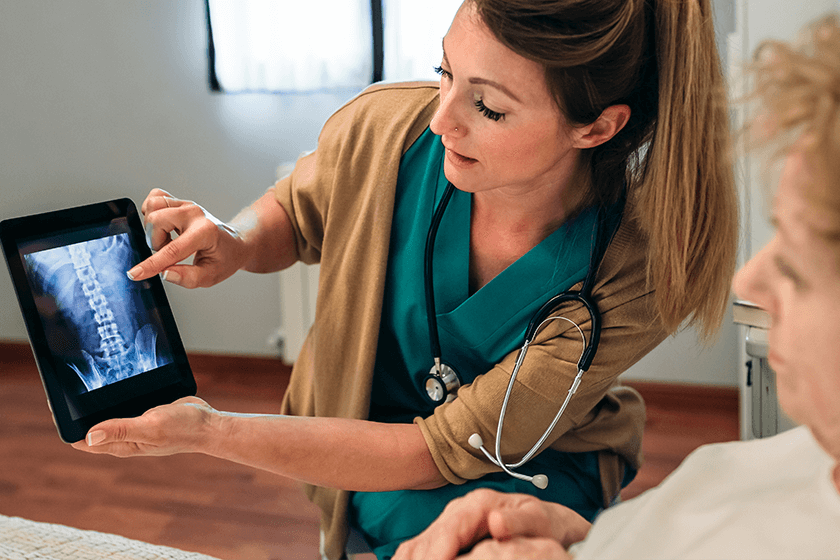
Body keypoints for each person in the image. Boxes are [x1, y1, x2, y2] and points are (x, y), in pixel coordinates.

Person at [72, 1, 737, 558]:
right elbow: (300, 210)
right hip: (362, 435)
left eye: (490, 107)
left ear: (596, 126)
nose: (442, 118)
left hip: (531, 467)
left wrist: (206, 432)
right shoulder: (385, 131)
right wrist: (236, 241)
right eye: (444, 73)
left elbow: (439, 449)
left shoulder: (639, 268)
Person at [392, 13, 840, 560]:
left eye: (796, 266)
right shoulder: (767, 464)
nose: (749, 280)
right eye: (445, 71)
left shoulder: (628, 267)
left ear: (597, 128)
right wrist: (579, 541)